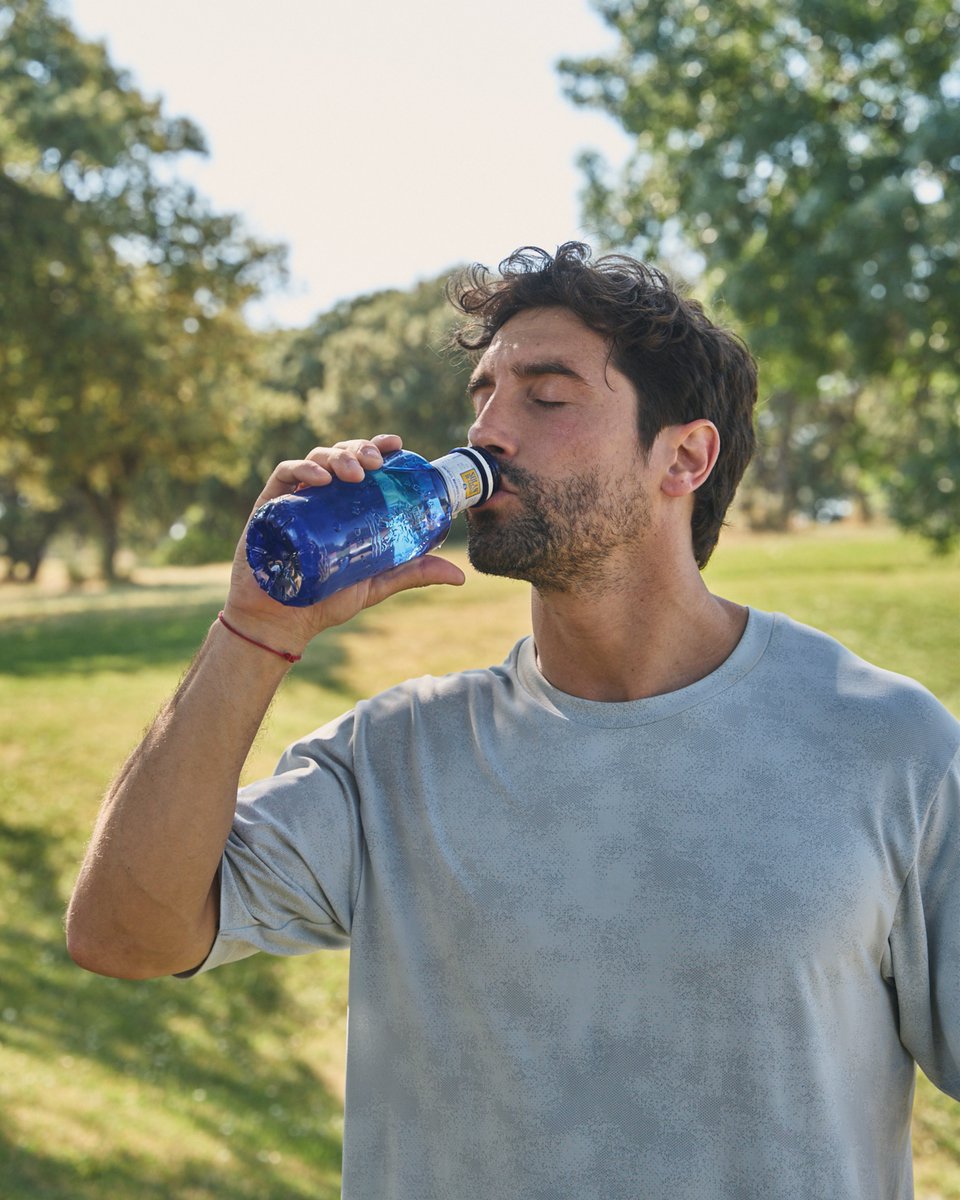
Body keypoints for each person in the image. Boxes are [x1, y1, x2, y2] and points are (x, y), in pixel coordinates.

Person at [67, 242, 960, 1199]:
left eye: (546, 395)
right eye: (483, 397)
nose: (487, 433)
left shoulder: (884, 746)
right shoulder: (394, 762)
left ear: (683, 457)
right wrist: (253, 630)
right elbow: (125, 933)